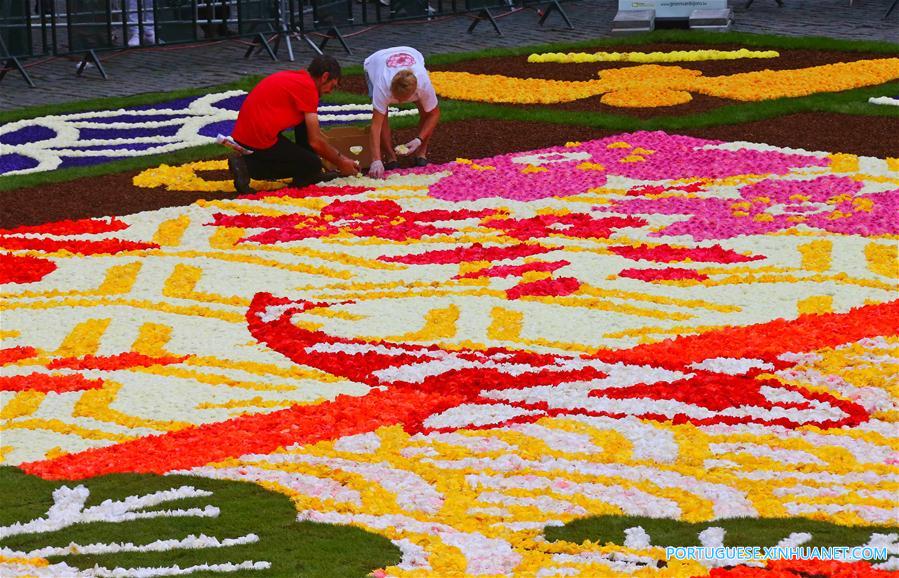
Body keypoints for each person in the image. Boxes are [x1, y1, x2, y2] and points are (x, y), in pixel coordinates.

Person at [228, 55, 359, 194]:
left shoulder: (300, 78)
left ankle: (310, 173)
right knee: (313, 163)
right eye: (331, 86)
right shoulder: (308, 88)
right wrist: (342, 162)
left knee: (305, 126)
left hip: (247, 133)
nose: (330, 92)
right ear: (325, 77)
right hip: (258, 138)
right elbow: (316, 142)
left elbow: (310, 133)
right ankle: (248, 166)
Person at [363, 46, 441, 179]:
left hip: (411, 52)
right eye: (396, 97)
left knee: (426, 111)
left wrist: (419, 140)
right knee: (382, 116)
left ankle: (421, 153)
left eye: (402, 99)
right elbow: (376, 126)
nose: (398, 102)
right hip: (375, 61)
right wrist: (376, 160)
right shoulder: (382, 85)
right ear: (391, 89)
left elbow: (434, 114)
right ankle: (390, 157)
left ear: (414, 91)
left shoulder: (423, 83)